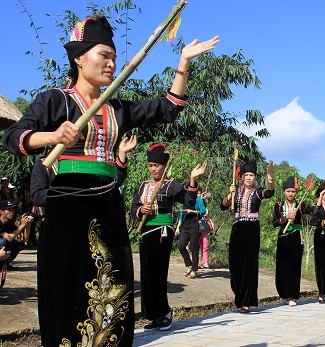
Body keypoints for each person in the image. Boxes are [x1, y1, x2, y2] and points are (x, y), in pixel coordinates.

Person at [3, 14, 218, 346]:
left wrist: (183, 63)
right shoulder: (55, 100)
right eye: (104, 55)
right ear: (79, 57)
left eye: (115, 57)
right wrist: (52, 135)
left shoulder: (117, 107)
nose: (111, 63)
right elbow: (15, 138)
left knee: (112, 284)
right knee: (69, 284)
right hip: (67, 203)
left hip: (108, 203)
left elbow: (168, 107)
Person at [131, 143, 207, 331]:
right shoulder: (143, 185)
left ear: (164, 166)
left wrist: (192, 179)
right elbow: (134, 207)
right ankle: (153, 315)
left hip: (163, 231)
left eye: (156, 165)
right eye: (150, 165)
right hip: (146, 231)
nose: (153, 169)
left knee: (158, 272)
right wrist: (141, 210)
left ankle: (164, 312)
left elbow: (189, 201)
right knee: (146, 273)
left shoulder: (171, 185)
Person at [220, 160, 274, 313]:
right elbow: (222, 205)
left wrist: (270, 177)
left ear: (255, 177)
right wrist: (229, 195)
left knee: (249, 264)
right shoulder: (235, 191)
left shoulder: (258, 191)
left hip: (252, 228)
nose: (249, 178)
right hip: (238, 227)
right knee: (235, 263)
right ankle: (239, 295)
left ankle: (246, 301)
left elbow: (269, 193)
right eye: (246, 175)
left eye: (252, 175)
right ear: (242, 177)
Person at [272, 176, 314, 307]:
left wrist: (320, 199)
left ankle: (292, 296)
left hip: (296, 236)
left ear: (296, 192)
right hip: (283, 237)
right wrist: (286, 218)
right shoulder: (279, 205)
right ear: (284, 191)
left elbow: (314, 211)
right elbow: (274, 222)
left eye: (293, 191)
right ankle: (283, 294)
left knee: (294, 266)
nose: (290, 194)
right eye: (288, 191)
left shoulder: (301, 205)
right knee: (282, 266)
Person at [177, 186, 207, 279]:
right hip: (185, 226)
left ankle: (194, 270)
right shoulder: (183, 201)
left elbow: (203, 211)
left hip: (195, 224)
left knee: (194, 247)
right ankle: (189, 264)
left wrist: (192, 212)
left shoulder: (198, 200)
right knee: (181, 246)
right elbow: (181, 215)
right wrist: (178, 227)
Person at [0, 200, 34, 270]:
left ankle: (5, 264)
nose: (12, 212)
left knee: (18, 244)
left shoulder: (9, 222)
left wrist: (28, 224)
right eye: (9, 210)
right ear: (1, 212)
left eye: (12, 209)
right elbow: (9, 238)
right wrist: (22, 225)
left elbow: (24, 239)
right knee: (3, 241)